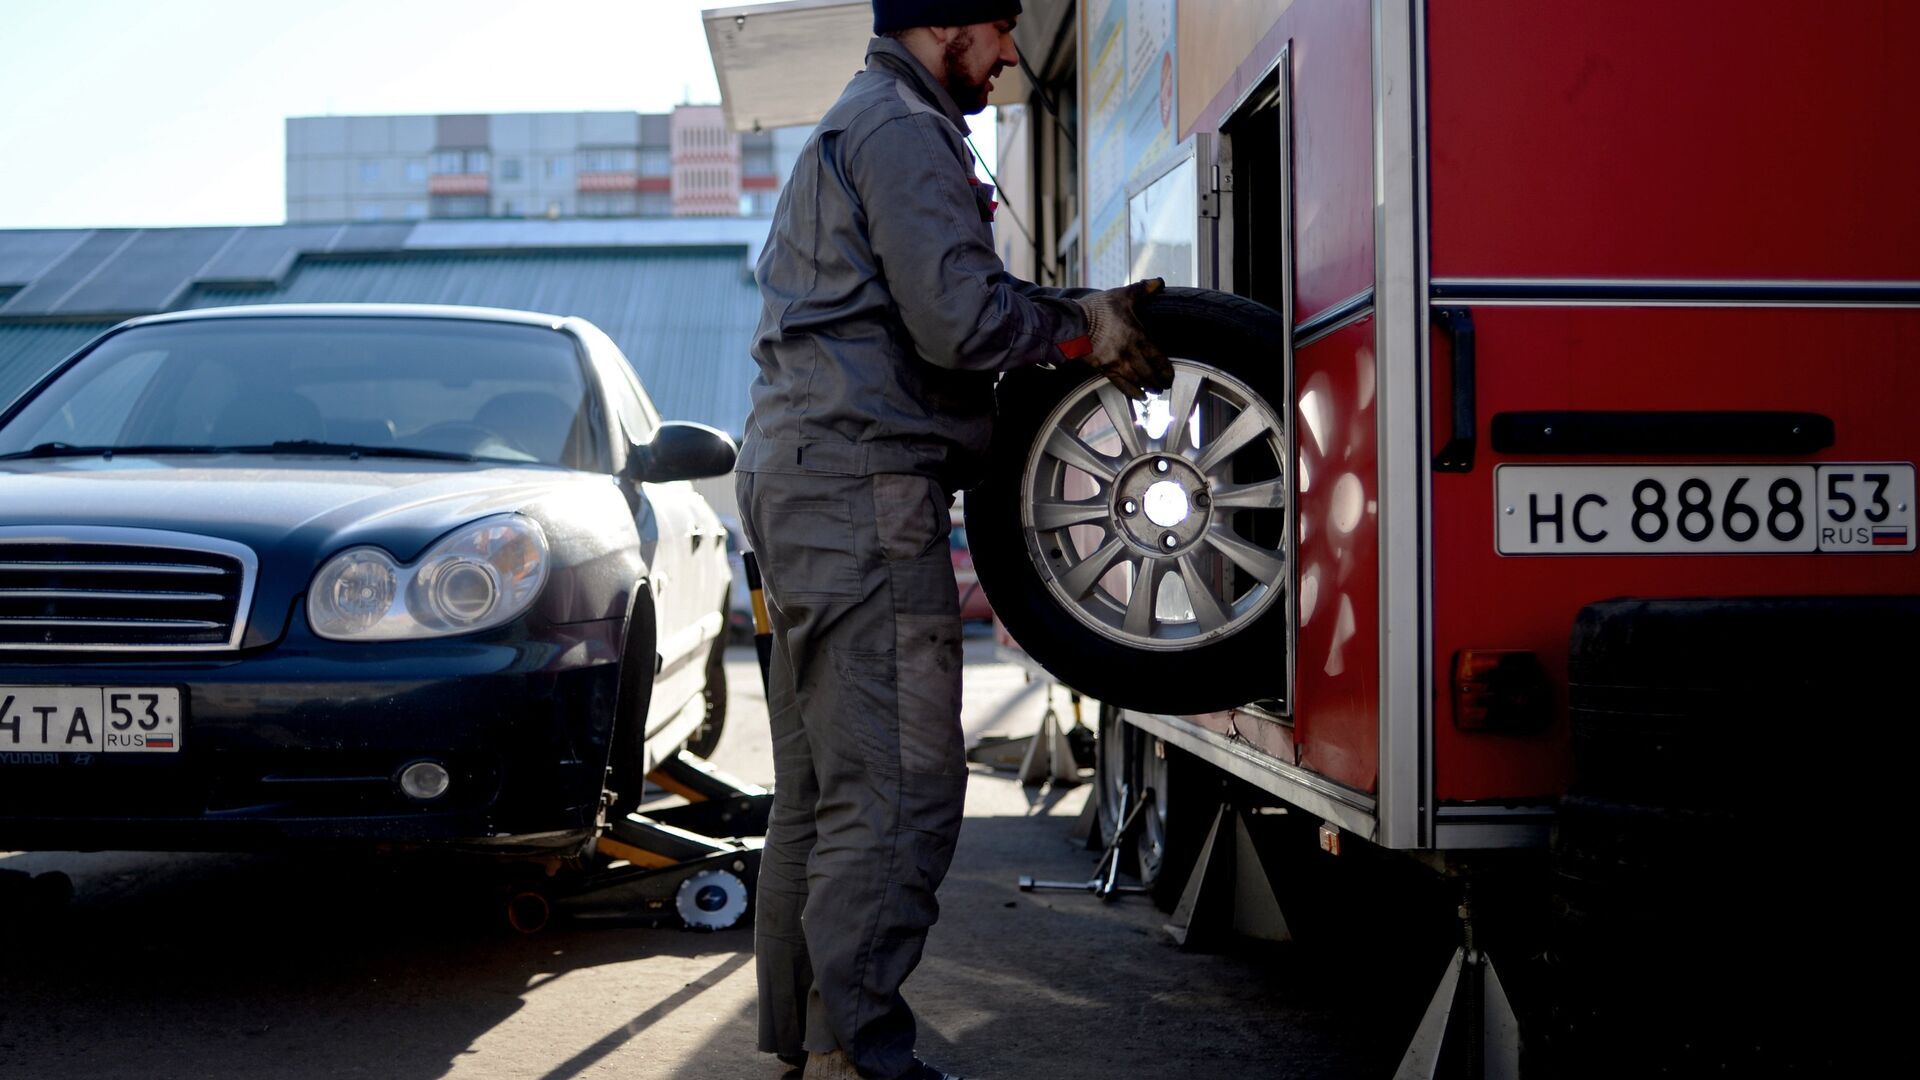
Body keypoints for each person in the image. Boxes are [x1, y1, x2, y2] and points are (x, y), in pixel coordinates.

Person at [733, 3, 1170, 1077]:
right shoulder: (901, 127)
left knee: (826, 791)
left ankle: (808, 1046)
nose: (1014, 52)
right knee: (898, 789)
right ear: (943, 26)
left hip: (804, 478)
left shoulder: (870, 119)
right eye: (999, 26)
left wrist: (1064, 312)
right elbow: (960, 322)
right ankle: (861, 1057)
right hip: (857, 492)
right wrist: (1084, 327)